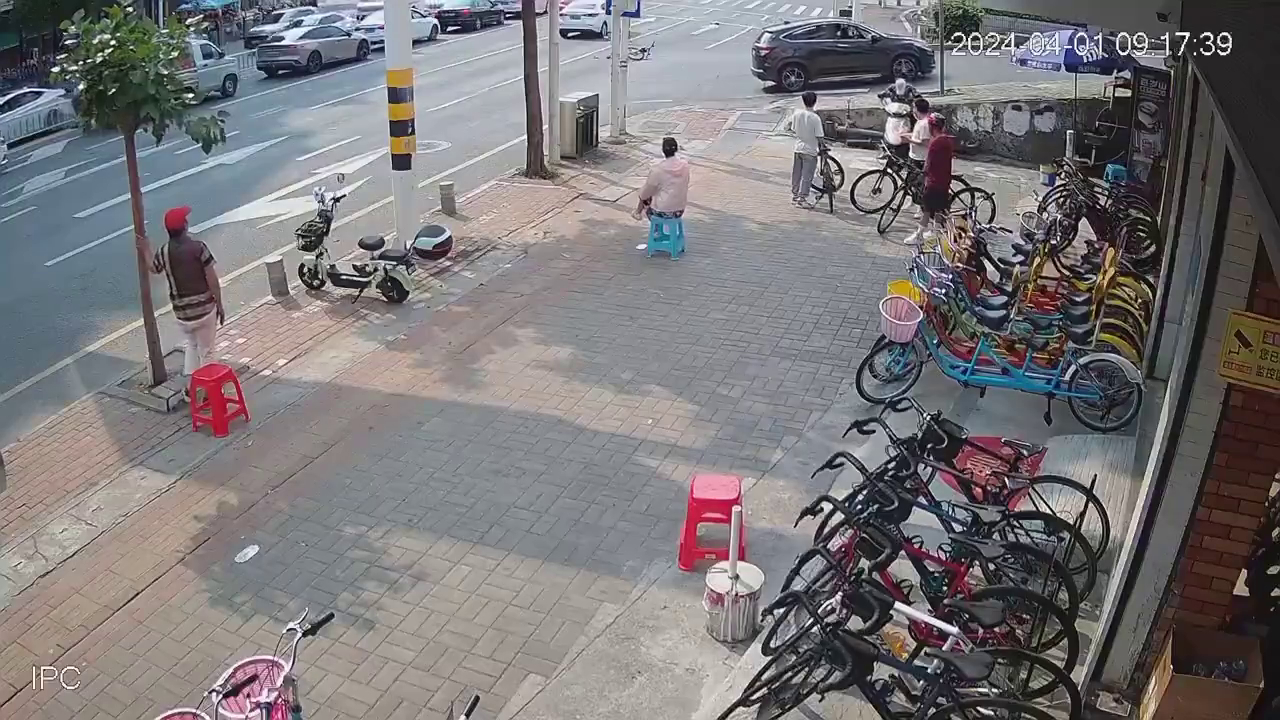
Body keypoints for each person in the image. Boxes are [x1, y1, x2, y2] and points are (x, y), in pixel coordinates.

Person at [151, 206, 224, 383]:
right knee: (207, 351)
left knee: (192, 346)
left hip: (182, 314)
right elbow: (212, 280)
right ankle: (208, 390)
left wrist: (144, 249)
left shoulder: (164, 252)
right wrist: (220, 305)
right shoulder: (198, 248)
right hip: (204, 310)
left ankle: (192, 387)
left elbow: (153, 268)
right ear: (184, 226)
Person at [906, 113, 955, 246]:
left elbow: (928, 164)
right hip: (944, 180)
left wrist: (924, 174)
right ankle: (935, 231)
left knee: (926, 209)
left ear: (931, 127)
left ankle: (919, 235)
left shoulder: (935, 143)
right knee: (939, 208)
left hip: (934, 181)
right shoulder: (947, 140)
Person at [635, 136, 690, 221]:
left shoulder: (658, 170)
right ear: (676, 149)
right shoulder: (685, 166)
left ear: (663, 151)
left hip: (662, 211)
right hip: (679, 210)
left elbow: (645, 194)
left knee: (645, 194)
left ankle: (638, 213)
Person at [785, 90, 823, 208]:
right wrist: (823, 147)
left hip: (798, 147)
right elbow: (820, 136)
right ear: (815, 102)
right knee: (807, 176)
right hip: (810, 150)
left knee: (797, 174)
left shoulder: (797, 114)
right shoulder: (815, 118)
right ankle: (802, 199)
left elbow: (790, 128)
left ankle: (795, 196)